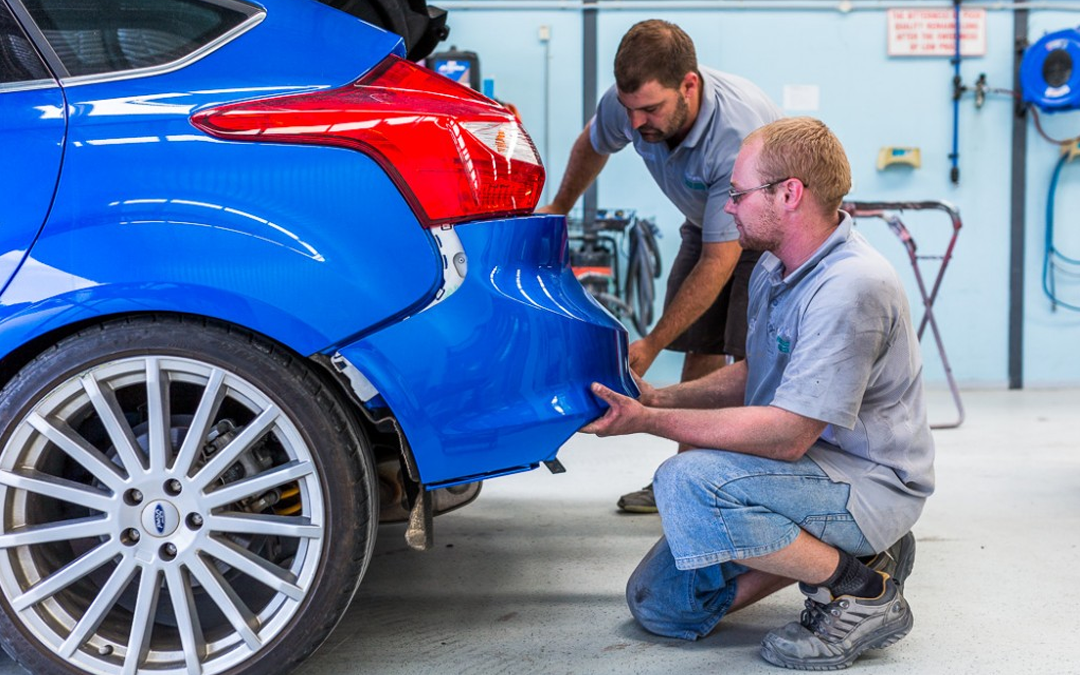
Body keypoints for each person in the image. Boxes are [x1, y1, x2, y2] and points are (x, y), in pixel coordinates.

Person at [581, 117, 935, 670]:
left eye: (738, 194)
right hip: (812, 470)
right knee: (663, 606)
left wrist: (647, 424)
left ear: (789, 194)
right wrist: (658, 400)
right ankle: (857, 556)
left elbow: (788, 435)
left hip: (865, 481)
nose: (727, 207)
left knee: (684, 478)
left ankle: (861, 590)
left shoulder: (851, 286)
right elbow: (757, 369)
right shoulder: (775, 266)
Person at [537, 20, 783, 513]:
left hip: (770, 232)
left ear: (688, 85)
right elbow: (593, 143)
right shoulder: (628, 105)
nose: (636, 124)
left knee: (752, 361)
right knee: (700, 346)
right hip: (707, 220)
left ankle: (753, 487)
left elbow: (720, 260)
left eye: (650, 110)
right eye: (630, 110)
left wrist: (650, 342)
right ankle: (685, 479)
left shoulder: (735, 133)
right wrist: (556, 211)